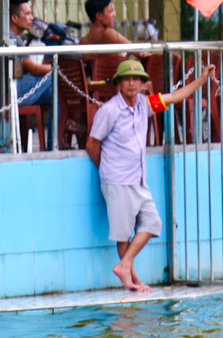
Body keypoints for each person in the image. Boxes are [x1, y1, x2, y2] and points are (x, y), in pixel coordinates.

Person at [86, 59, 216, 293]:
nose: (132, 83)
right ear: (118, 83)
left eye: (137, 79)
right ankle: (132, 279)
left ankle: (125, 267)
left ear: (144, 84)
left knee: (152, 223)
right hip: (117, 180)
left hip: (138, 179)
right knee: (123, 235)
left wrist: (202, 80)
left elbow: (175, 97)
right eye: (127, 79)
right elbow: (92, 143)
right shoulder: (110, 110)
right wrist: (107, 167)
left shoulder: (144, 105)